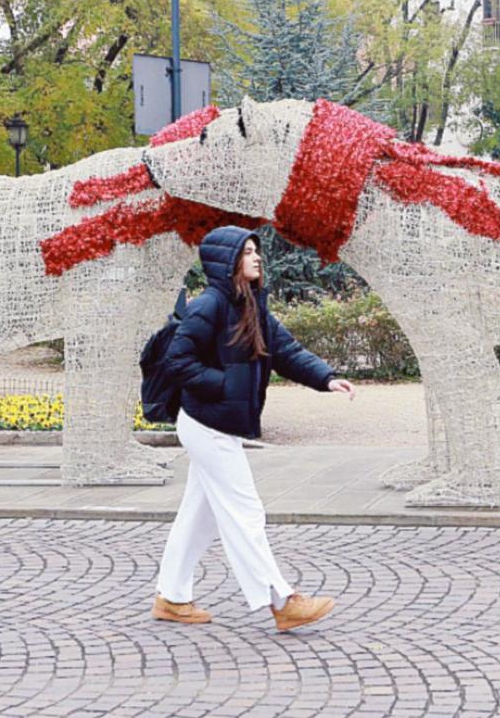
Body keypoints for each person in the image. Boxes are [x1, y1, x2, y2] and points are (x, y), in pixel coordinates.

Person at [153, 225, 357, 632]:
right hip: (205, 423)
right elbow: (177, 360)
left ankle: (171, 597)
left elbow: (285, 350)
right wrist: (223, 384)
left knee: (200, 515)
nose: (256, 257)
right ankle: (282, 601)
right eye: (247, 252)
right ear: (227, 261)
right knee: (245, 512)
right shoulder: (209, 304)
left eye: (255, 251)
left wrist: (326, 377)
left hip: (219, 423)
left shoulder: (251, 303)